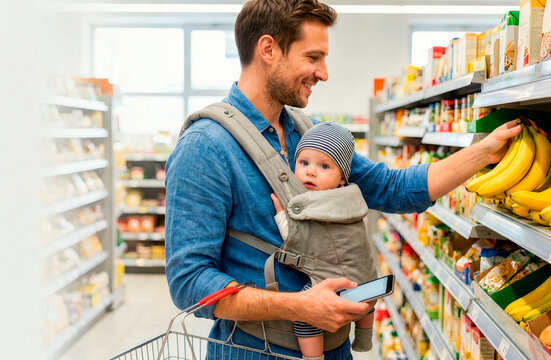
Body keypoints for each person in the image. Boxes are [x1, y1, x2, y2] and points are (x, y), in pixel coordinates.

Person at [164, 0, 521, 359]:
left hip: (334, 348)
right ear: (268, 50)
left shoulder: (310, 134)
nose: (324, 73)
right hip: (258, 350)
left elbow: (393, 189)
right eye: (313, 57)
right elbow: (189, 280)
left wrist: (485, 152)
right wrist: (298, 306)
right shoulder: (206, 146)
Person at [270, 122, 375, 359]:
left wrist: (281, 214)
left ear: (341, 178)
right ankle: (364, 338)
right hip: (367, 281)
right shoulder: (351, 198)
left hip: (334, 284)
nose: (311, 172)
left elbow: (297, 238)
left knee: (305, 319)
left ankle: (313, 357)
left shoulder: (317, 204)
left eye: (324, 166)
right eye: (304, 162)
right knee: (368, 298)